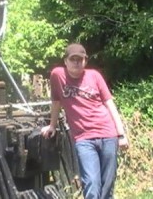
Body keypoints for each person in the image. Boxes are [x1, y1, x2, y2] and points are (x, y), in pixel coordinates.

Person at [41, 43, 129, 199]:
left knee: (107, 185)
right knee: (92, 184)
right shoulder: (57, 75)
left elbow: (109, 104)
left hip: (108, 134)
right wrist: (52, 125)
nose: (76, 62)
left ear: (85, 61)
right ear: (65, 61)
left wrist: (121, 134)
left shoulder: (94, 76)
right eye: (73, 59)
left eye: (80, 59)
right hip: (84, 139)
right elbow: (56, 102)